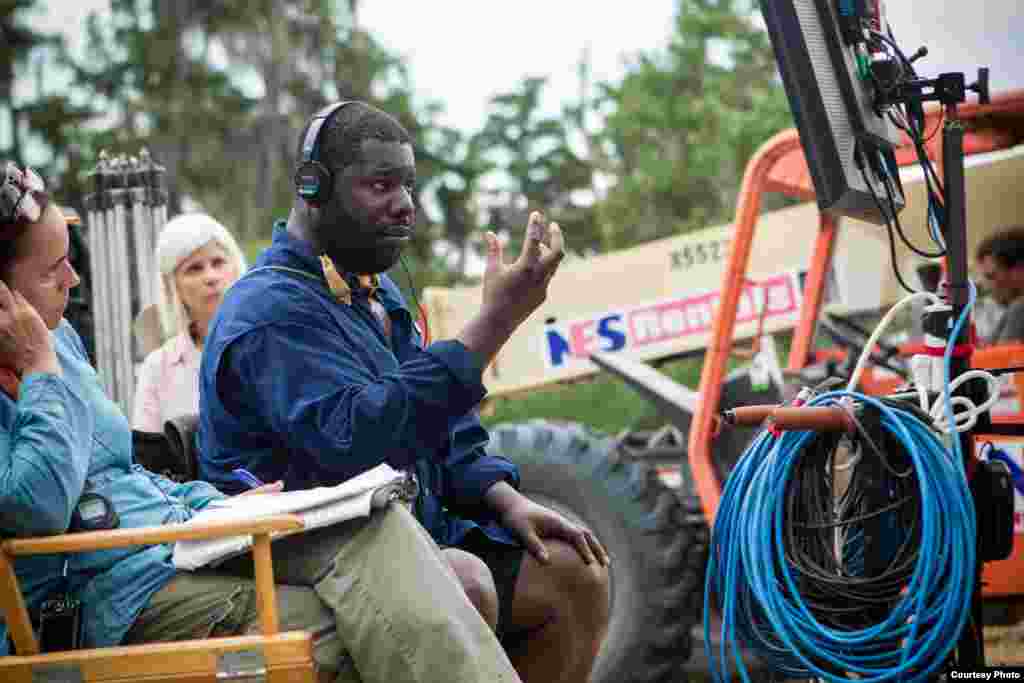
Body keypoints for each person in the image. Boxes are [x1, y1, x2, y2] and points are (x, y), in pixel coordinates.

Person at [0, 161, 523, 683]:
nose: (72, 280)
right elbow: (38, 508)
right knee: (352, 627)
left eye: (69, 261)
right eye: (51, 271)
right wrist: (40, 372)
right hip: (106, 591)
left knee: (377, 524)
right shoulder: (48, 353)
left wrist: (214, 506)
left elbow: (122, 476)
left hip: (172, 541)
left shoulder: (58, 337)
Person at [197, 101, 611, 683]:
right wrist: (494, 322)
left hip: (411, 532)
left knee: (573, 573)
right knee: (462, 583)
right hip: (314, 553)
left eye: (408, 186)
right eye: (380, 185)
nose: (405, 204)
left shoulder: (374, 291)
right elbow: (357, 439)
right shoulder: (269, 311)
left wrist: (504, 499)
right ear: (313, 188)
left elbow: (441, 424)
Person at [132, 213, 246, 432]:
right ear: (172, 285)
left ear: (235, 267)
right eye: (194, 268)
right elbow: (148, 448)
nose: (211, 277)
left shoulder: (269, 347)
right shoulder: (157, 368)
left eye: (218, 262)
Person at [975, 226, 1024, 344]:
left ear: (1019, 270)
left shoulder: (1019, 309)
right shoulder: (1013, 309)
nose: (987, 287)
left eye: (991, 276)